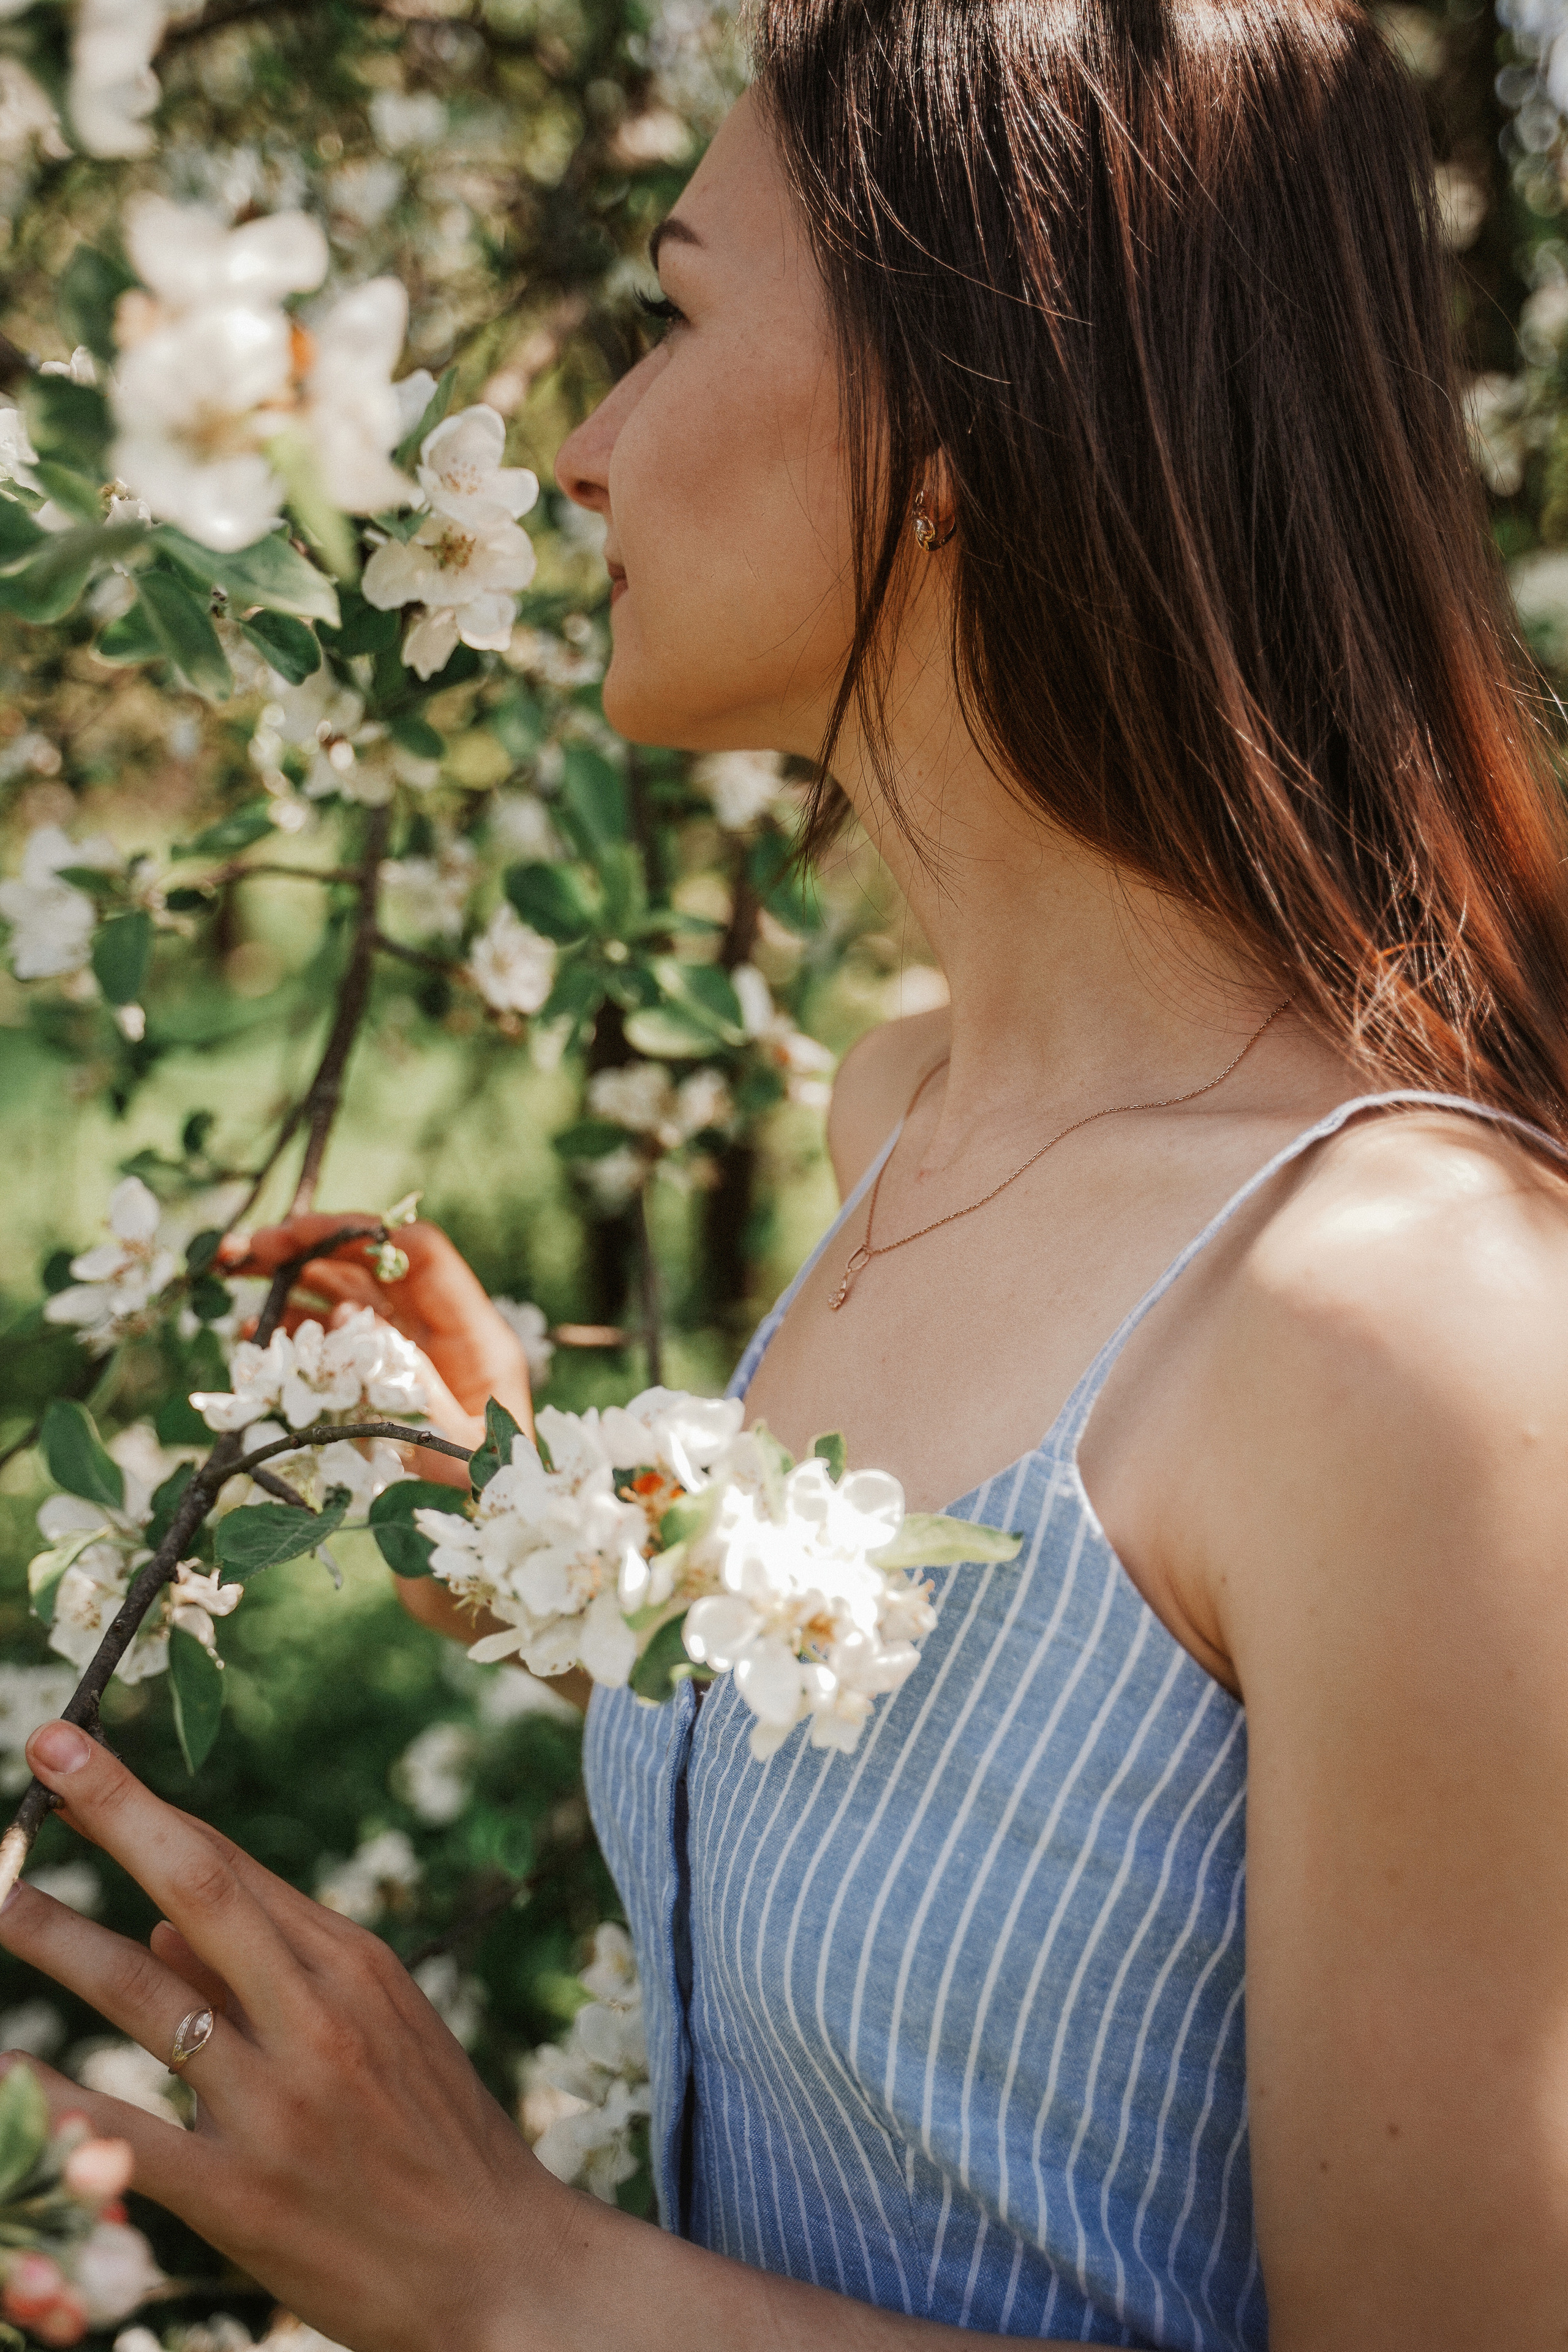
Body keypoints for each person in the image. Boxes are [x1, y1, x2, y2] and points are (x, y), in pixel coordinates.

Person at [6, 2, 1568, 2342]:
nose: (575, 451)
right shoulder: (901, 1109)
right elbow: (1016, 1804)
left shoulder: (1402, 1334)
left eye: (666, 315)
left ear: (952, 416)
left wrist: (516, 2280)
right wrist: (532, 1527)